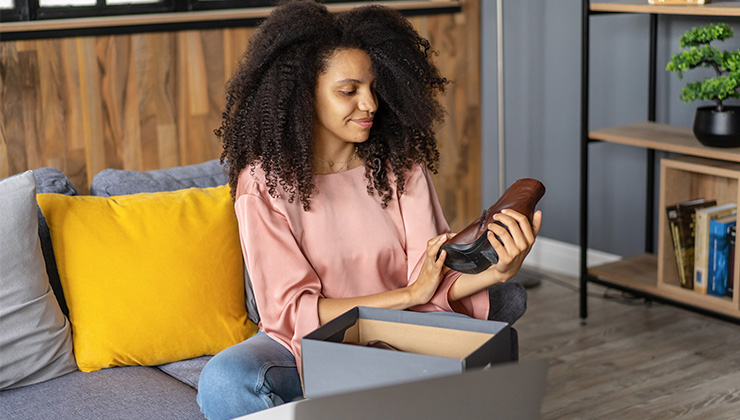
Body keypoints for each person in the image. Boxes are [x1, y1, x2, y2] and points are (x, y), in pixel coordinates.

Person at [196, 1, 542, 419]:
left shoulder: (401, 168)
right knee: (225, 380)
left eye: (375, 88)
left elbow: (430, 281)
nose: (370, 104)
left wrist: (498, 271)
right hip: (309, 345)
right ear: (304, 94)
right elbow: (293, 314)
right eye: (349, 91)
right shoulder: (264, 184)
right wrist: (408, 294)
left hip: (399, 334)